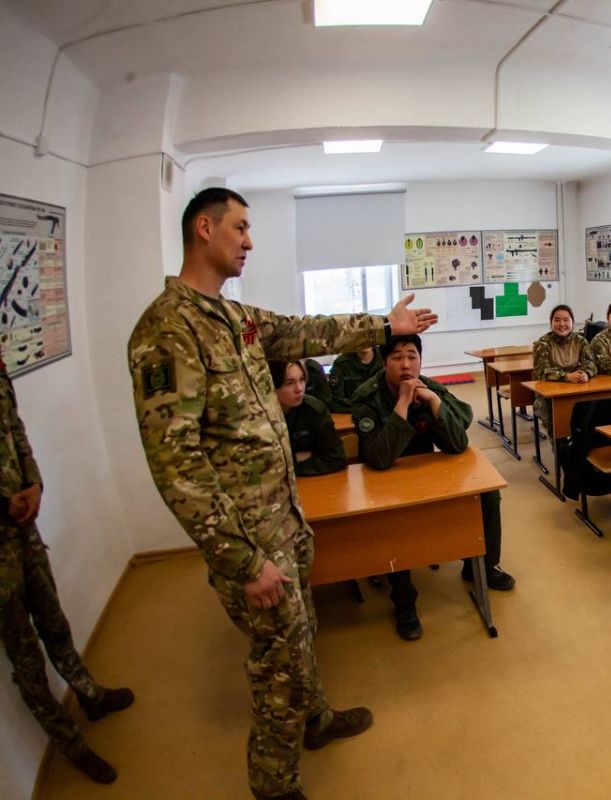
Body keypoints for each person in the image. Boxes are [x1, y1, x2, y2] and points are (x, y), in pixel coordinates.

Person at [128, 187, 437, 800]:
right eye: (240, 228)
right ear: (204, 228)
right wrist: (242, 561)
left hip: (283, 519)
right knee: (278, 662)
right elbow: (176, 466)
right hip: (248, 539)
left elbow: (304, 331)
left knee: (300, 636)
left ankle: (315, 719)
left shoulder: (234, 317)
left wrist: (385, 326)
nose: (249, 241)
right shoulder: (167, 330)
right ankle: (272, 784)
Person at [0, 360, 133, 784]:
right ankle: (70, 743)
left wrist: (35, 484)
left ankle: (89, 694)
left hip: (23, 527)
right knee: (26, 659)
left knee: (54, 623)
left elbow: (15, 430)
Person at [350, 334, 514, 641]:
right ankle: (404, 602)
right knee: (394, 516)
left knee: (486, 493)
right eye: (397, 357)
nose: (406, 365)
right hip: (384, 481)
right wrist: (402, 403)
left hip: (426, 472)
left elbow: (457, 444)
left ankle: (481, 566)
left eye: (412, 356)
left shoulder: (430, 388)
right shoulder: (367, 398)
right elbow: (380, 459)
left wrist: (435, 403)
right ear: (384, 363)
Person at [271, 360, 347, 477]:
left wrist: (290, 462)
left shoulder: (314, 410)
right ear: (272, 386)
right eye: (289, 383)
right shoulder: (258, 415)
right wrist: (299, 457)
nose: (299, 389)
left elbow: (337, 459)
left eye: (302, 380)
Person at [531, 304, 596, 432]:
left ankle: (582, 438)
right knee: (557, 423)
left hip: (575, 389)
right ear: (551, 323)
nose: (562, 324)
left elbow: (591, 364)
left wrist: (585, 373)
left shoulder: (580, 341)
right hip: (548, 395)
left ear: (572, 322)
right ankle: (559, 442)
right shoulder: (542, 343)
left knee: (592, 408)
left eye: (566, 320)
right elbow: (541, 371)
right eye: (557, 320)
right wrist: (566, 376)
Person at [329, 346, 382, 412]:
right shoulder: (341, 364)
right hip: (351, 413)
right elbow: (336, 401)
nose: (364, 342)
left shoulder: (385, 359)